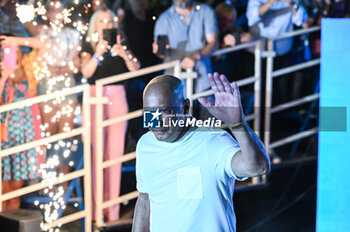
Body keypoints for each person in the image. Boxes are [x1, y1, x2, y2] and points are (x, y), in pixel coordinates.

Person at [132, 73, 270, 231]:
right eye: (150, 113)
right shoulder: (145, 145)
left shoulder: (212, 142)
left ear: (185, 107)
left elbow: (258, 167)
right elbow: (145, 199)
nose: (157, 122)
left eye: (164, 112)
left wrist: (238, 124)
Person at [80, 8, 140, 221]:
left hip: (117, 97)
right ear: (95, 24)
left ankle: (111, 210)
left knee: (114, 156)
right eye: (102, 21)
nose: (106, 24)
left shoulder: (121, 44)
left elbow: (136, 67)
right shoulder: (88, 45)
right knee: (96, 154)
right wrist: (98, 52)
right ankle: (95, 211)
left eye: (110, 21)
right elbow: (86, 72)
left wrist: (123, 53)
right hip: (94, 98)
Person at [0, 40, 40, 211]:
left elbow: (44, 44)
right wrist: (3, 76)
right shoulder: (2, 73)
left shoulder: (27, 69)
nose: (10, 53)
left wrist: (17, 41)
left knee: (16, 188)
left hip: (23, 135)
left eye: (13, 50)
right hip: (4, 134)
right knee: (3, 188)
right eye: (6, 50)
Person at [153, 0, 218, 93]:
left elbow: (214, 42)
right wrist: (160, 50)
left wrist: (195, 56)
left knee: (207, 105)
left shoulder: (206, 12)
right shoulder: (163, 19)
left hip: (203, 78)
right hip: (174, 81)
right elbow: (161, 54)